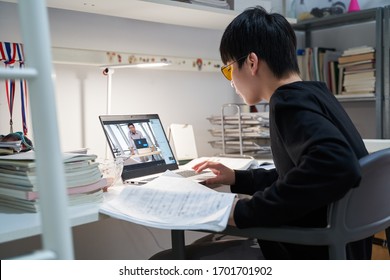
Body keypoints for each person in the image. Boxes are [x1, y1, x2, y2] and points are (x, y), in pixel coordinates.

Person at [193, 6, 372, 260]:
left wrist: (243, 211)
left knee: (167, 260)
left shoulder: (287, 103)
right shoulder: (315, 93)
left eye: (229, 69)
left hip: (310, 255)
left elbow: (336, 165)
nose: (231, 81)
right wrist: (238, 178)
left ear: (252, 62)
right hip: (345, 250)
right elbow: (300, 173)